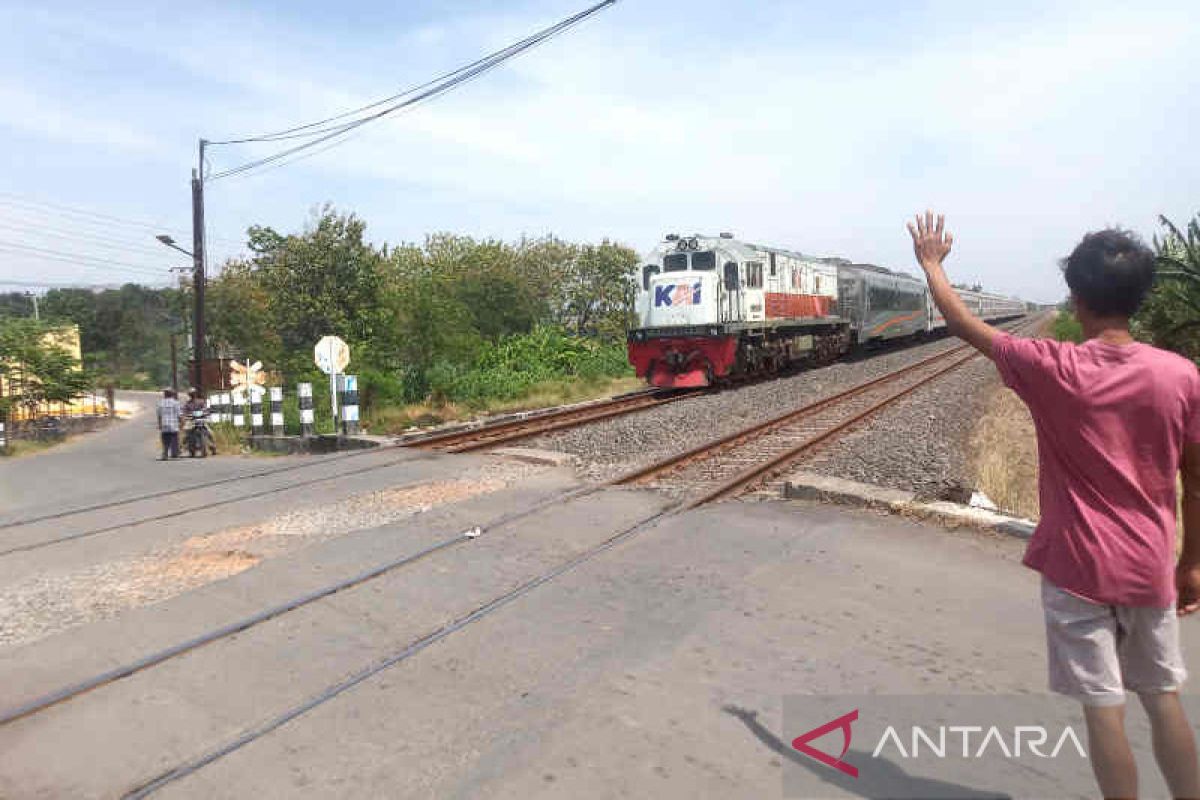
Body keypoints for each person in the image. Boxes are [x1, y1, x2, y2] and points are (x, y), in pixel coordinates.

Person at [908, 210, 1200, 799]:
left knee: (1104, 707)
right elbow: (1196, 483)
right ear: (1141, 297)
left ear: (1075, 295)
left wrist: (933, 266)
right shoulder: (1182, 376)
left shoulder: (1052, 367)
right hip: (1149, 569)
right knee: (1163, 699)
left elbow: (964, 325)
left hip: (1078, 570)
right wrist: (1191, 563)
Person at [182, 388, 216, 456]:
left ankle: (213, 446)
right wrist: (185, 415)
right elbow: (184, 412)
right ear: (189, 395)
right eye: (191, 394)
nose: (192, 395)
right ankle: (183, 447)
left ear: (196, 394)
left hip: (201, 419)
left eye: (193, 393)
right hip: (191, 421)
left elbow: (205, 409)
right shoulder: (187, 404)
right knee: (186, 434)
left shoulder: (201, 402)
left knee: (210, 432)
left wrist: (206, 412)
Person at [156, 388, 181, 461]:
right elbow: (179, 414)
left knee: (165, 440)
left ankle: (165, 453)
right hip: (173, 425)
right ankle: (174, 453)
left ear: (165, 394)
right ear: (172, 394)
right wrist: (182, 422)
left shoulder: (160, 403)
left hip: (164, 425)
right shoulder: (175, 403)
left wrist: (160, 424)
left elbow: (159, 415)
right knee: (174, 439)